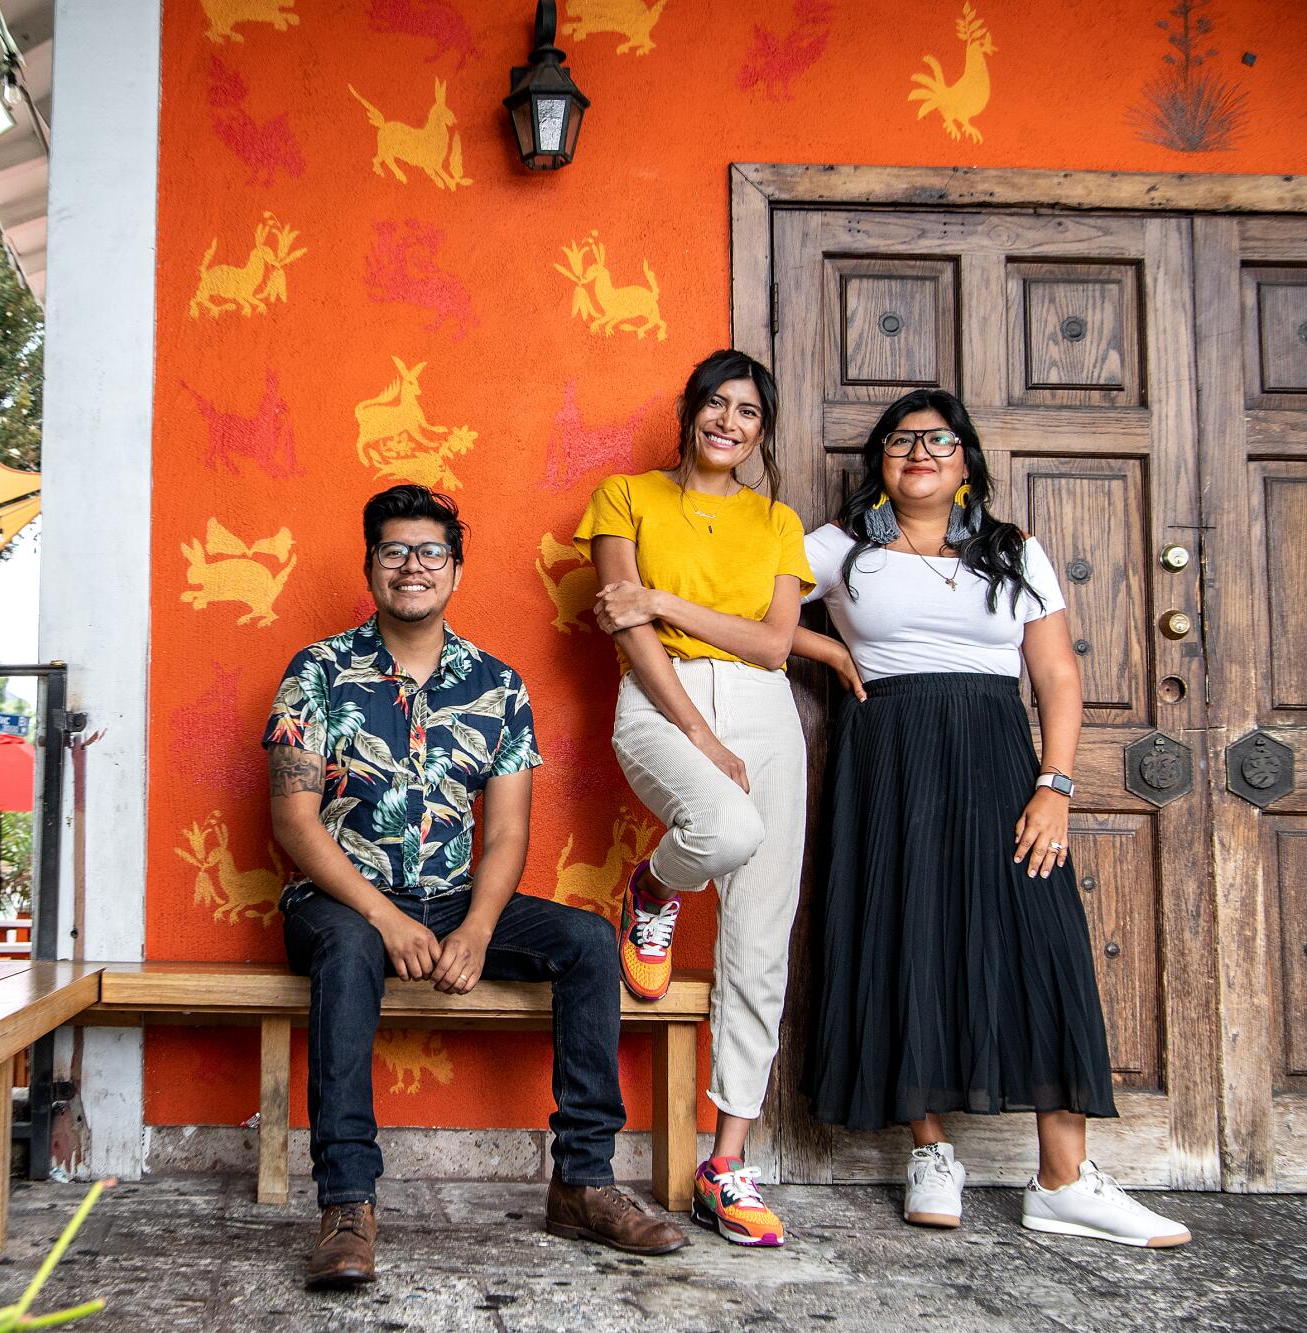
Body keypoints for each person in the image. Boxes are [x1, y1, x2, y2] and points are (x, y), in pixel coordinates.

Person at [792, 388, 1190, 1249]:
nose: (920, 452)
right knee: (909, 937)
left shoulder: (1015, 551)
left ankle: (1064, 1176)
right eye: (902, 441)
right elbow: (747, 607)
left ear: (966, 458)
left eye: (939, 439)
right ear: (880, 464)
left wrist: (1056, 784)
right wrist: (821, 642)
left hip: (1003, 761)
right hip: (889, 764)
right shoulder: (838, 547)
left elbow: (1056, 677)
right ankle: (929, 1149)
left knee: (1044, 944)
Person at [265, 484, 688, 1291]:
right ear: (371, 567)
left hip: (455, 898)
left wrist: (478, 929)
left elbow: (506, 834)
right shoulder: (316, 671)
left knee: (590, 941)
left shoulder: (497, 685)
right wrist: (387, 916)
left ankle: (582, 1181)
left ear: (455, 570)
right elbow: (295, 823)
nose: (412, 566)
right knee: (352, 945)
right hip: (341, 904)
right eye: (395, 551)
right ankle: (348, 1204)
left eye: (430, 552)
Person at [579, 349, 811, 1247]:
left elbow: (773, 644)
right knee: (722, 823)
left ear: (762, 430)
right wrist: (701, 736)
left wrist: (665, 595)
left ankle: (726, 1163)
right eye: (717, 404)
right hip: (662, 694)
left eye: (749, 411)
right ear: (689, 413)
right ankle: (656, 888)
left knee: (760, 937)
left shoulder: (778, 521)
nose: (731, 422)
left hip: (765, 712)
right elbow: (626, 625)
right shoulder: (626, 495)